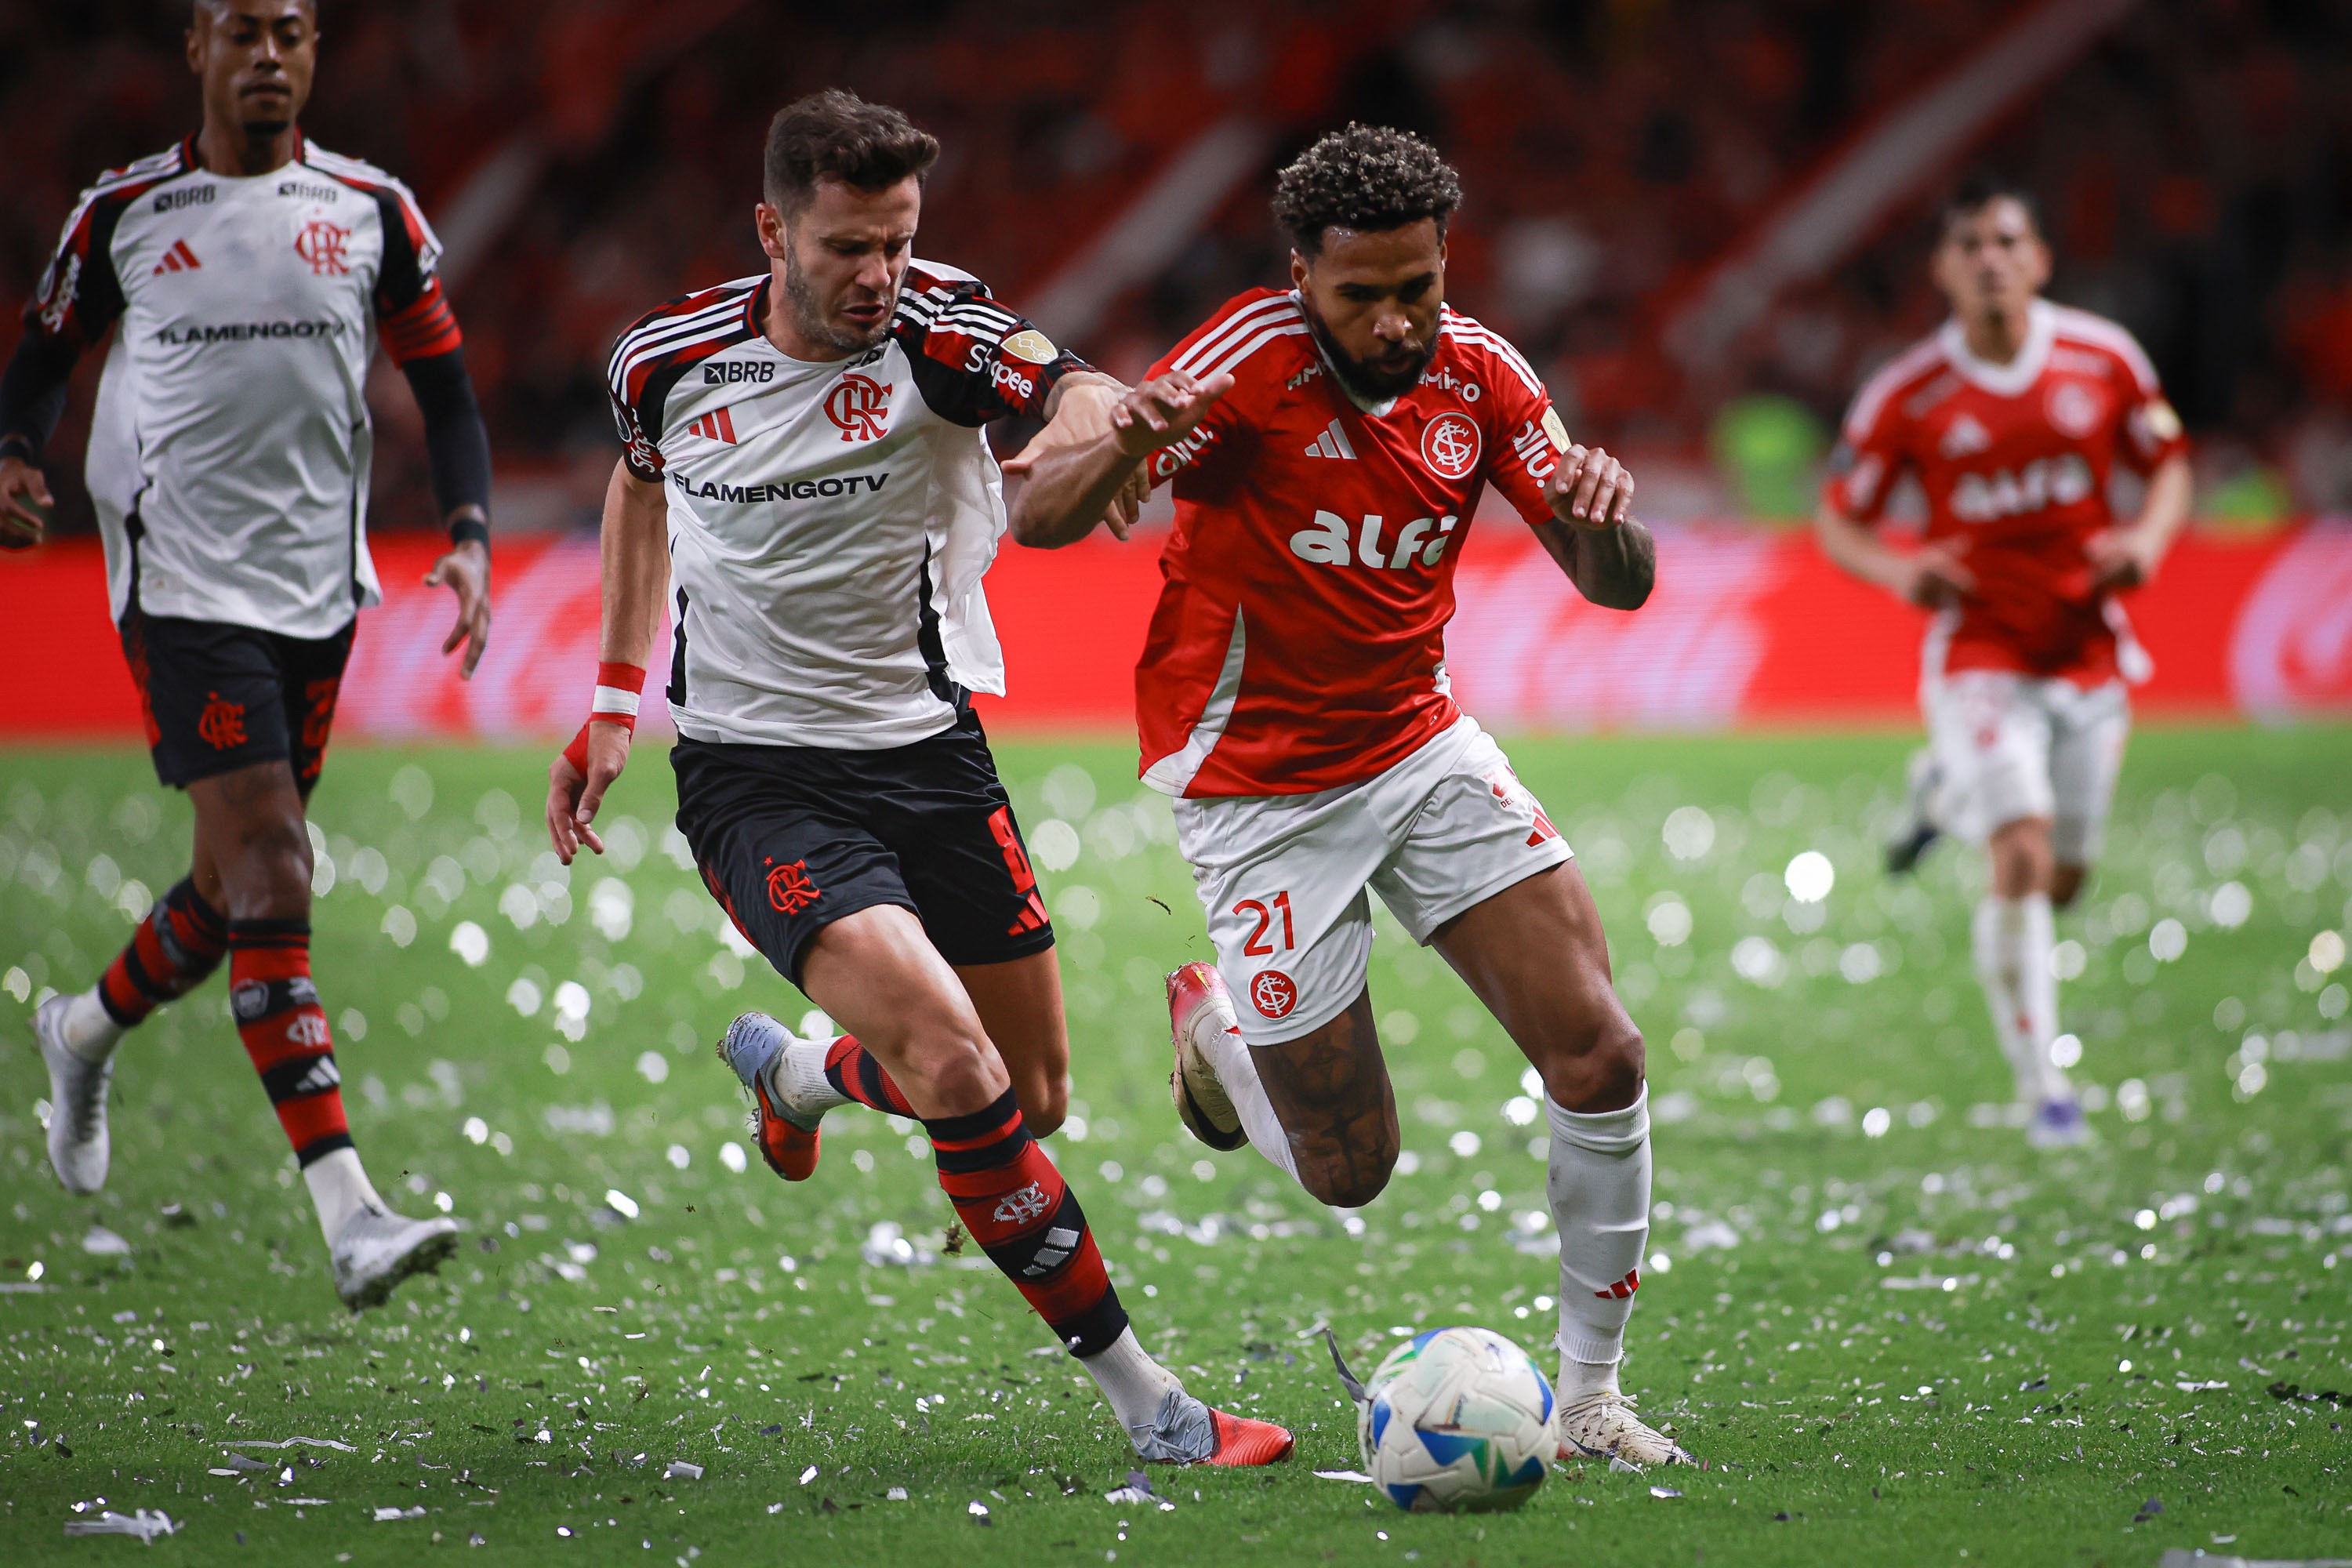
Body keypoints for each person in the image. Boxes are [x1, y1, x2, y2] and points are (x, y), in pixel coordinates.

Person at [543, 89, 1289, 1468]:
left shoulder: (939, 330)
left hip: (931, 756)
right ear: (773, 232)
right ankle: (1158, 1413)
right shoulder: (665, 363)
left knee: (1033, 1091)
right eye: (845, 248)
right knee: (954, 1066)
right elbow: (639, 487)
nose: (876, 277)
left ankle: (805, 1085)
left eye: (895, 242)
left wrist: (1106, 421)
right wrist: (608, 697)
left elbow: (1053, 380)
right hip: (755, 781)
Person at [1003, 124, 1689, 1468]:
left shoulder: (1481, 374)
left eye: (1418, 287)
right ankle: (1219, 1038)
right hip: (1261, 793)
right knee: (1349, 1172)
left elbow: (1618, 584)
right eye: (1362, 293)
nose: (1396, 320)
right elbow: (1041, 520)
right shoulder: (1242, 364)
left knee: (1602, 1052)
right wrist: (1119, 444)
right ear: (1302, 273)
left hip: (1421, 750)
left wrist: (1609, 516)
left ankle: (1593, 1399)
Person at [2, 0, 493, 1308]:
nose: (267, 55)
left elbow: (444, 387)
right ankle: (351, 1215)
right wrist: (11, 457)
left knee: (232, 894)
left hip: (318, 590)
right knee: (278, 865)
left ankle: (83, 1026)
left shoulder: (375, 210)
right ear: (198, 52)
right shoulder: (123, 216)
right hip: (178, 586)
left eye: (290, 32)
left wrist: (470, 532)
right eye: (241, 33)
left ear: (315, 52)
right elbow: (40, 360)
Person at [1813, 175, 2191, 1148]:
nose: (1990, 258)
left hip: (2088, 655)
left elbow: (2170, 465)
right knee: (2019, 854)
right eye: (1970, 244)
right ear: (1943, 269)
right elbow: (1839, 518)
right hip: (1982, 654)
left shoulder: (2103, 360)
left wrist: (2146, 538)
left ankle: (1942, 793)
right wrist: (1905, 572)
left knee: (2064, 878)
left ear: (2039, 260)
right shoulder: (1910, 393)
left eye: (2007, 241)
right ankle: (2047, 1091)